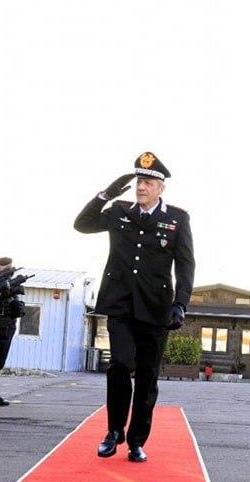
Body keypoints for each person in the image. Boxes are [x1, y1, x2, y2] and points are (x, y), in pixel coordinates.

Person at [74, 152, 195, 463]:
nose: (141, 187)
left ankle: (137, 441)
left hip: (156, 308)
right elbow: (82, 225)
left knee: (146, 376)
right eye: (139, 181)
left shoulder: (177, 219)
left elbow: (185, 266)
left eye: (148, 182)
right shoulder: (119, 210)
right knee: (120, 364)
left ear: (160, 188)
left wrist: (180, 304)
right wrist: (106, 193)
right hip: (121, 304)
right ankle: (114, 431)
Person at [0, 256, 25, 406]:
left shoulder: (8, 282)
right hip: (0, 322)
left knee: (0, 359)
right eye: (5, 267)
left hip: (9, 322)